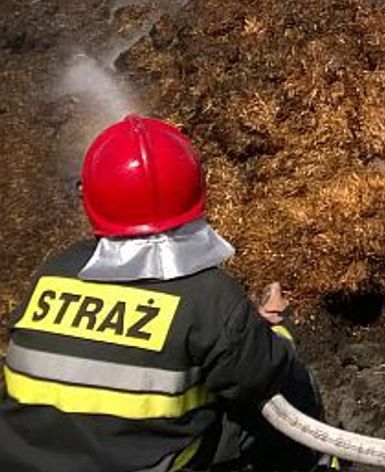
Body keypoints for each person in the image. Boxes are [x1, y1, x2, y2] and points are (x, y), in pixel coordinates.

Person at [0, 114, 334, 471]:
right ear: (195, 191)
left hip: (19, 460)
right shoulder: (210, 296)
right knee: (287, 391)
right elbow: (264, 372)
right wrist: (275, 329)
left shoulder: (55, 271)